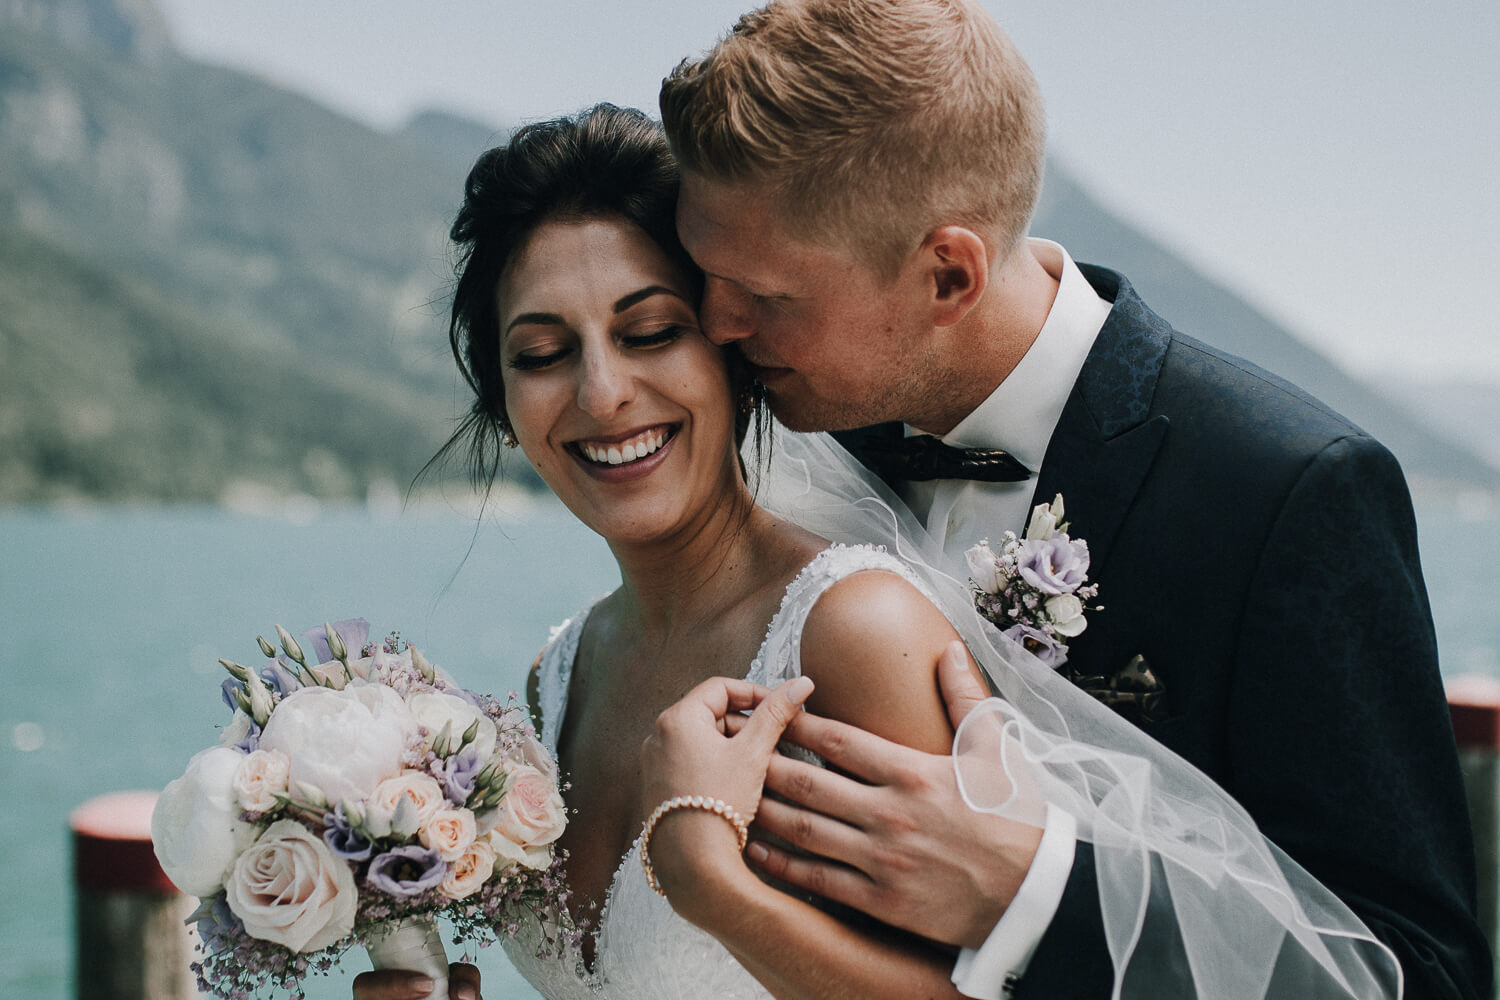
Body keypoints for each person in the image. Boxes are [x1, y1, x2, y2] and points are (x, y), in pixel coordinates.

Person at [641, 0, 1491, 998]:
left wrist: (1034, 887)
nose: (716, 324)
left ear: (949, 272)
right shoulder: (782, 432)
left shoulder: (1288, 494)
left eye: (768, 294)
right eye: (707, 274)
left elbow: (1422, 975)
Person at [355, 102, 1028, 1000]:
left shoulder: (855, 634)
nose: (601, 395)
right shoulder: (556, 680)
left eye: (650, 333)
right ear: (505, 407)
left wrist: (709, 881)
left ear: (731, 353)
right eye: (545, 352)